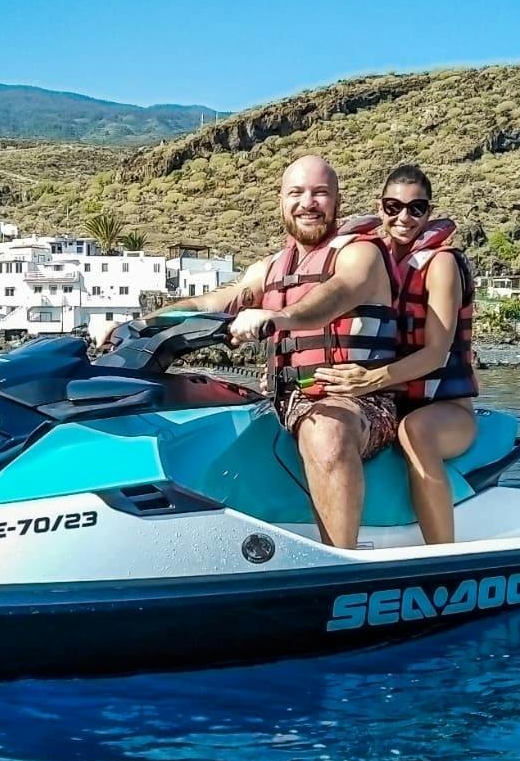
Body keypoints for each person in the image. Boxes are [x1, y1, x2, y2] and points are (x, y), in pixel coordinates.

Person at [153, 155, 399, 548]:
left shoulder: (359, 254)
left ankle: (339, 563)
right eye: (296, 193)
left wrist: (276, 316)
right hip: (282, 397)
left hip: (359, 400)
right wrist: (141, 324)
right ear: (281, 201)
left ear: (337, 201)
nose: (308, 202)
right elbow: (212, 302)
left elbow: (334, 295)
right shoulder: (268, 269)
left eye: (320, 193)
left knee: (328, 431)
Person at [314, 164, 478, 545]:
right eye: (393, 206)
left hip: (446, 409)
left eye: (416, 208)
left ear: (428, 212)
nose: (403, 217)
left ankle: (443, 556)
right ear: (380, 207)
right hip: (391, 400)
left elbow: (436, 354)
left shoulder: (441, 265)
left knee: (414, 430)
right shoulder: (371, 260)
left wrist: (369, 380)